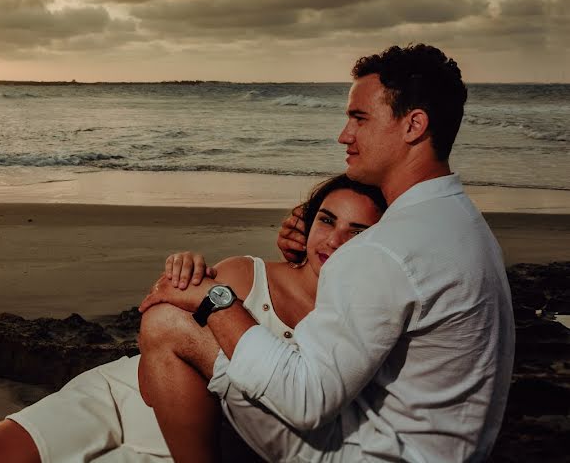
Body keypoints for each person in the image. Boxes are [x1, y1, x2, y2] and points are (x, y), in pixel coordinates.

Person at [137, 44, 515, 462]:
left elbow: (305, 401)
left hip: (367, 454)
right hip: (443, 447)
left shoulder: (386, 249)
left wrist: (216, 300)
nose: (344, 135)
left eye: (359, 118)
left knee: (167, 323)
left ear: (414, 126)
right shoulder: (463, 224)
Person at [0, 174, 387, 463]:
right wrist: (181, 277)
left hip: (194, 439)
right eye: (326, 221)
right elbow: (154, 352)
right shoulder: (248, 273)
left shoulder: (358, 320)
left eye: (358, 231)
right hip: (127, 392)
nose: (335, 241)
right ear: (306, 225)